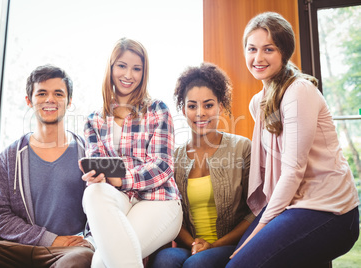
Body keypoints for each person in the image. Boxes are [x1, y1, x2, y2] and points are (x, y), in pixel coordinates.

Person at [225, 12, 360, 268]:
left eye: (269, 49)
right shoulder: (259, 102)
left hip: (331, 210)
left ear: (284, 52)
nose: (258, 58)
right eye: (252, 49)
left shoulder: (299, 91)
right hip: (293, 203)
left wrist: (261, 228)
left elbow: (293, 170)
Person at [0, 65, 94, 267]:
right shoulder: (10, 156)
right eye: (42, 93)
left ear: (69, 101)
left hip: (72, 250)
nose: (50, 99)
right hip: (22, 248)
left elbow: (104, 206)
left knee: (76, 263)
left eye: (58, 93)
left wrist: (89, 241)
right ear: (29, 101)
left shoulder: (89, 153)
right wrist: (49, 239)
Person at [81, 37, 183, 268]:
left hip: (159, 201)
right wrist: (96, 176)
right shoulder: (93, 120)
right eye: (122, 66)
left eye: (136, 68)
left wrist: (122, 178)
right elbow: (100, 166)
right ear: (111, 68)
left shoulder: (157, 109)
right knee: (93, 192)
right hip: (119, 200)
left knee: (101, 263)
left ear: (144, 73)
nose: (128, 75)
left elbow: (163, 166)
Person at [150, 63, 255, 268]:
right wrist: (194, 245)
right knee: (164, 261)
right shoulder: (173, 157)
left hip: (231, 245)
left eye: (208, 105)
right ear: (183, 109)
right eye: (192, 106)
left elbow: (255, 211)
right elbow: (170, 213)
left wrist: (215, 245)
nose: (200, 113)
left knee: (197, 265)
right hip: (191, 246)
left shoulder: (242, 148)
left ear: (221, 107)